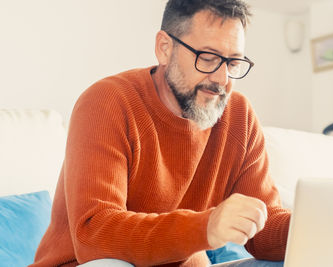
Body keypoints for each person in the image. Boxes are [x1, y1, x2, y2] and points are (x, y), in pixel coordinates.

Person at [31, 0, 291, 266]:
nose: (222, 79)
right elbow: (94, 235)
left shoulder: (239, 117)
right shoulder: (108, 102)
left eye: (233, 62)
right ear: (164, 48)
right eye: (209, 58)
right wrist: (205, 227)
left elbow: (263, 232)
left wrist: (320, 224)